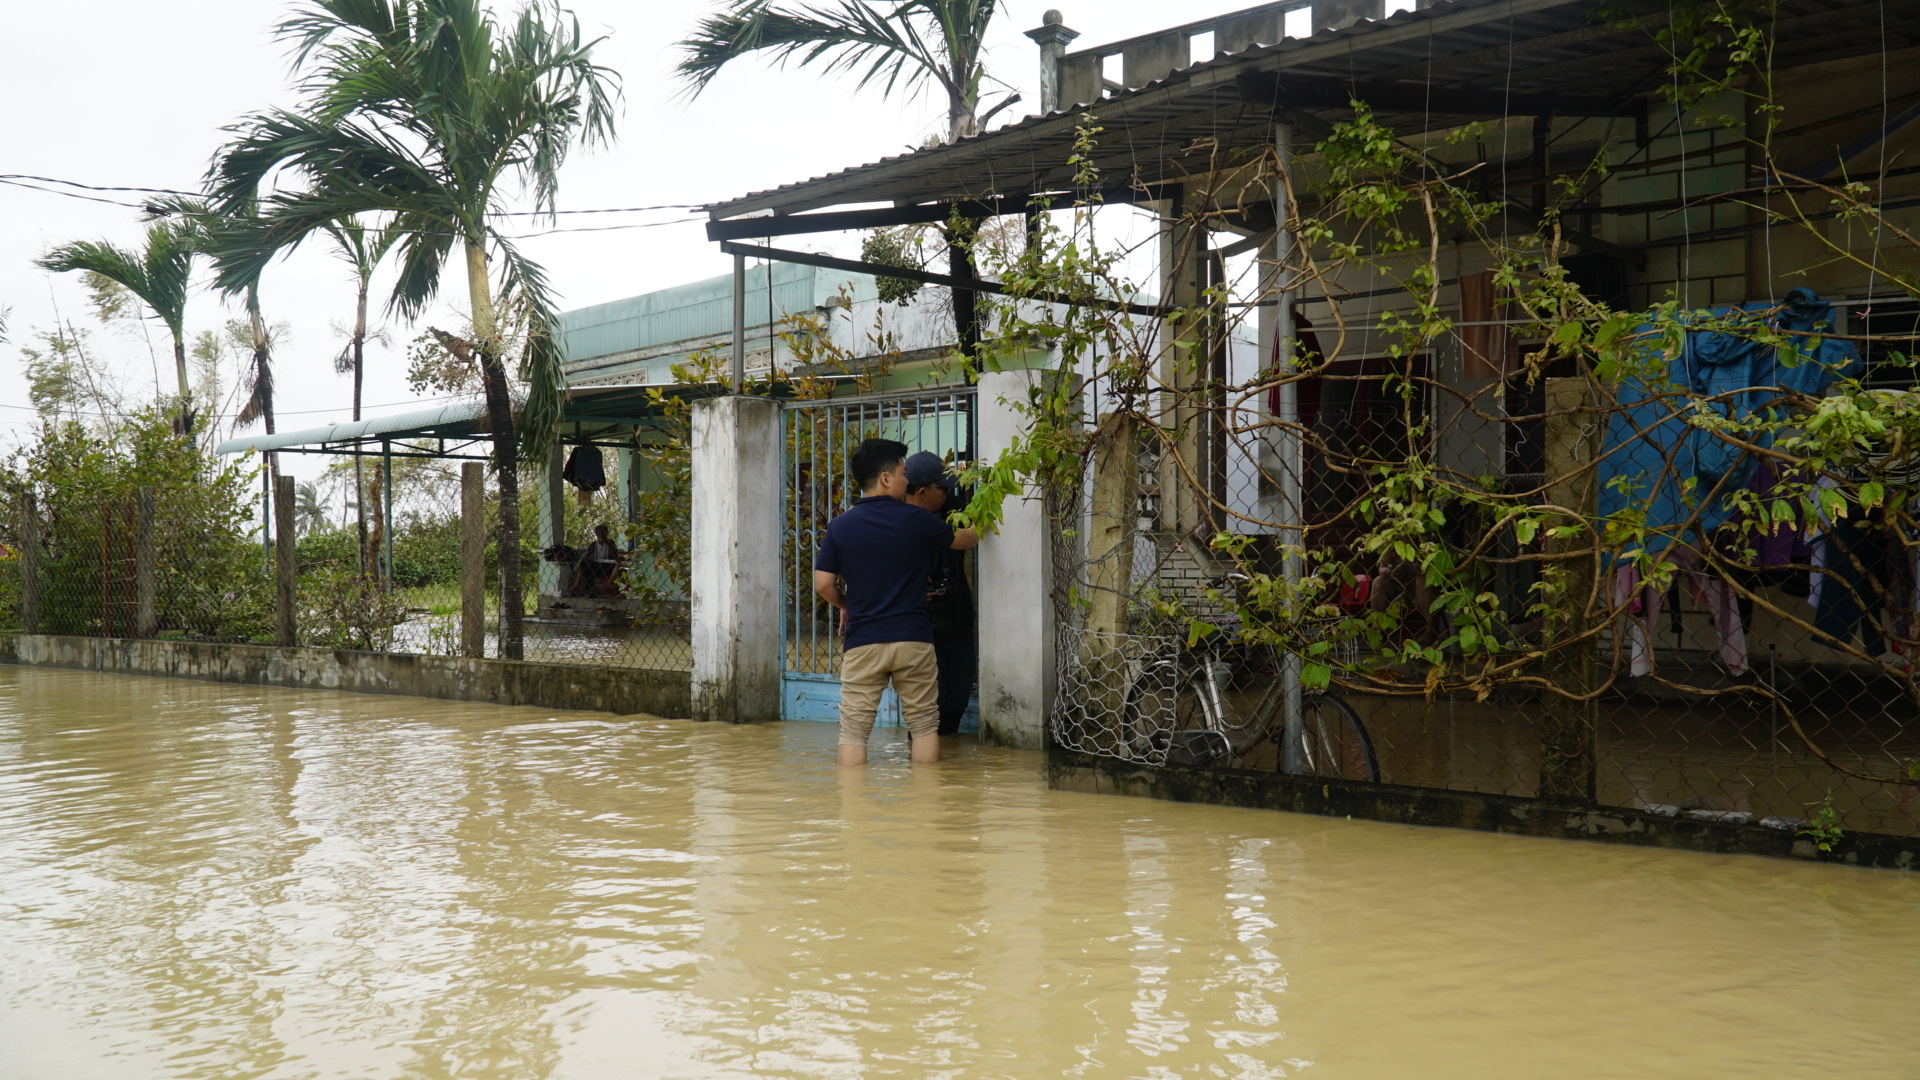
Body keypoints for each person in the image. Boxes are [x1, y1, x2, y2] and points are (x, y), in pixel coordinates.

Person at [814, 438, 979, 766]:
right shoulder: (916, 520)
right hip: (913, 638)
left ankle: (852, 810)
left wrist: (848, 605)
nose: (907, 481)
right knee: (923, 727)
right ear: (886, 478)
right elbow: (965, 540)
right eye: (903, 473)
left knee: (853, 733)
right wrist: (985, 510)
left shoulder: (840, 526)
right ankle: (925, 806)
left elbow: (823, 585)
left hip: (862, 641)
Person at [903, 451, 976, 736]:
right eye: (942, 488)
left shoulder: (953, 508)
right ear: (922, 491)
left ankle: (945, 771)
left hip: (957, 619)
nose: (948, 493)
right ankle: (922, 771)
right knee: (924, 710)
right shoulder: (897, 518)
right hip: (919, 625)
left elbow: (971, 530)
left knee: (956, 700)